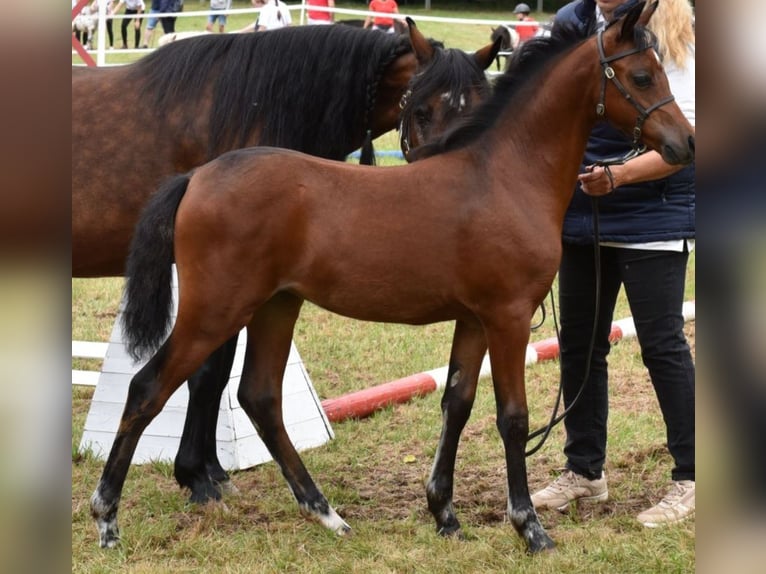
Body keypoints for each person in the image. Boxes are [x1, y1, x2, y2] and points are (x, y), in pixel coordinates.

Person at [530, 0, 696, 528]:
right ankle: (584, 471)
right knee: (579, 345)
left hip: (655, 210)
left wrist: (620, 177)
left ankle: (692, 479)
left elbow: (686, 138)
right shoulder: (573, 22)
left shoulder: (677, 28)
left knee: (662, 346)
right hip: (584, 211)